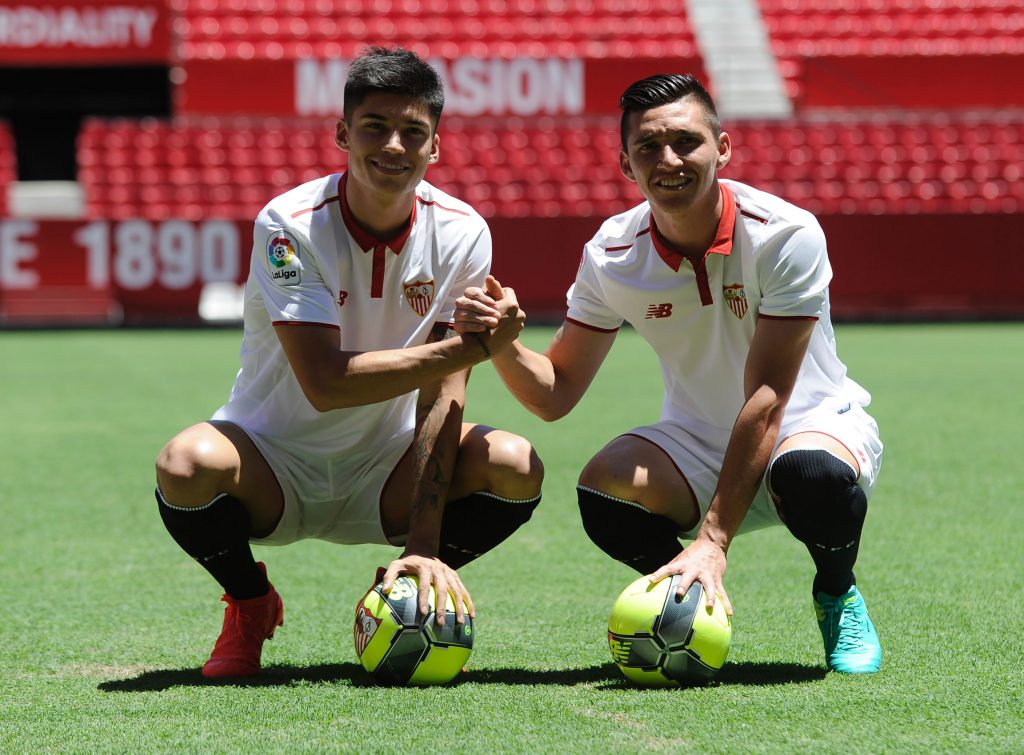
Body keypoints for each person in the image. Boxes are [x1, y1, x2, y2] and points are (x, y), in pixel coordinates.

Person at [456, 74, 883, 674]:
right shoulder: (611, 253)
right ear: (626, 165)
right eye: (649, 148)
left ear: (723, 148)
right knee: (602, 487)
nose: (669, 160)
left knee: (810, 474)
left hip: (805, 426)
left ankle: (837, 593)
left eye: (686, 142)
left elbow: (767, 397)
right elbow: (554, 394)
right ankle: (688, 598)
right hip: (698, 444)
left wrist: (714, 539)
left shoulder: (786, 234)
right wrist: (503, 345)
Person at [154, 46, 543, 679]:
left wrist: (421, 547)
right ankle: (251, 602)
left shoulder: (464, 231)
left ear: (435, 146)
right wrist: (469, 348)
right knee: (185, 464)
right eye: (375, 127)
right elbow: (325, 382)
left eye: (413, 132)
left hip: (386, 466)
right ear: (342, 133)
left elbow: (447, 392)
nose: (394, 145)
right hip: (270, 458)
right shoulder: (289, 223)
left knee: (516, 465)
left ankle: (397, 590)